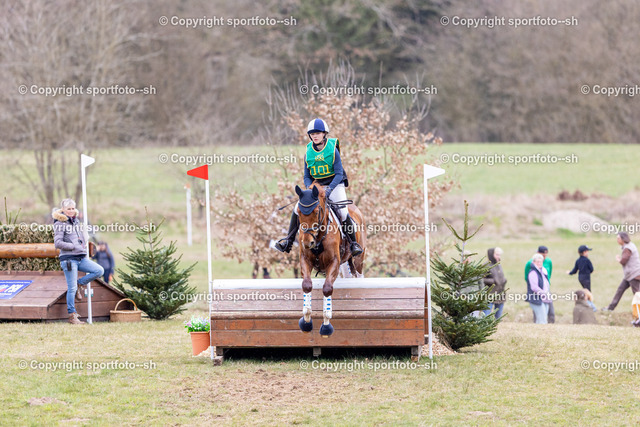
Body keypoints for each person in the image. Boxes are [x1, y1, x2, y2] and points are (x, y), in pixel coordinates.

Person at [274, 118, 363, 256]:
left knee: (343, 212)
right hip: (317, 186)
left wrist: (329, 190)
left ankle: (353, 244)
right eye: (312, 134)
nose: (315, 136)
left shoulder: (333, 150)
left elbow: (339, 174)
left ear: (324, 134)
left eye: (318, 133)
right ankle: (288, 241)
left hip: (335, 184)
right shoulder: (308, 152)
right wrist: (310, 189)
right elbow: (306, 176)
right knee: (297, 209)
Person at [53, 199, 104, 324]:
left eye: (73, 208)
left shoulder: (76, 221)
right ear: (63, 210)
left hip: (80, 257)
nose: (71, 211)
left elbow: (79, 238)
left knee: (99, 270)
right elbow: (57, 243)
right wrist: (72, 246)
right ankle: (72, 315)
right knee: (71, 288)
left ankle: (80, 284)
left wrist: (83, 244)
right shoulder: (59, 223)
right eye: (68, 209)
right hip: (69, 259)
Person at [602, 232, 640, 312]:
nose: (617, 240)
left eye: (618, 238)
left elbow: (623, 261)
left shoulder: (627, 248)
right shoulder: (629, 245)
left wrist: (618, 259)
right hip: (629, 275)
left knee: (637, 294)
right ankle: (610, 308)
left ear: (623, 239)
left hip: (634, 274)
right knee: (620, 290)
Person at [524, 246, 554, 323]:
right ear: (534, 262)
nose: (539, 263)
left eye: (541, 262)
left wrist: (546, 293)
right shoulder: (533, 272)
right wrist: (543, 293)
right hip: (536, 298)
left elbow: (547, 281)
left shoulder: (543, 271)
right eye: (537, 262)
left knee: (543, 318)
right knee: (542, 319)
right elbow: (534, 287)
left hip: (545, 297)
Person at [483, 247, 507, 319]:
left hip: (500, 294)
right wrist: (493, 281)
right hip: (489, 294)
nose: (498, 257)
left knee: (498, 318)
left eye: (499, 255)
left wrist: (504, 280)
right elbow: (481, 279)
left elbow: (500, 277)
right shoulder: (486, 265)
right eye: (497, 254)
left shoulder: (498, 265)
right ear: (491, 254)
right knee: (486, 316)